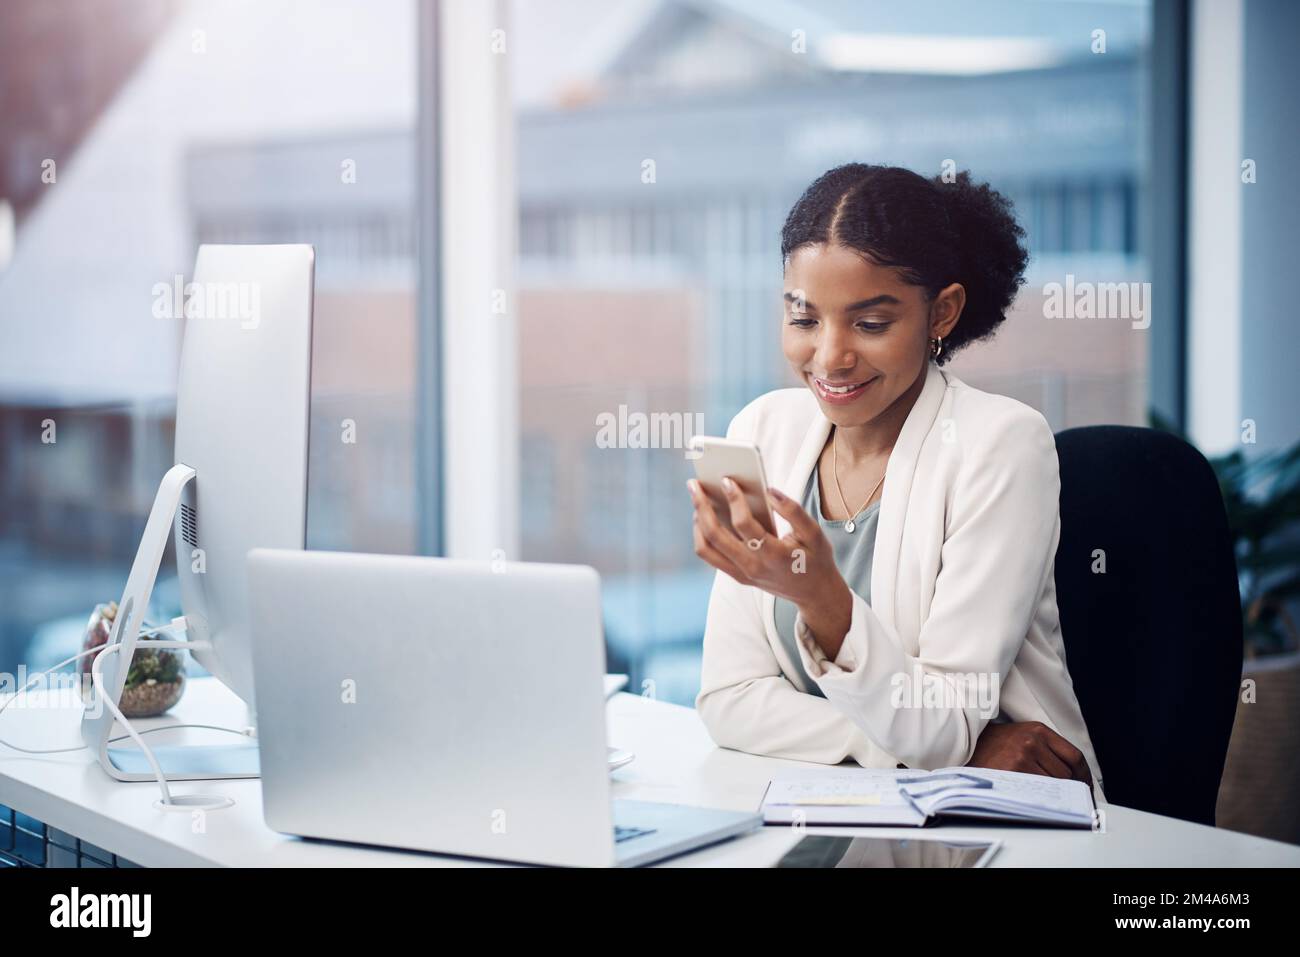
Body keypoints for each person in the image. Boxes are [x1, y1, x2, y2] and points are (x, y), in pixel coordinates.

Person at [688, 163, 1104, 801]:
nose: (829, 357)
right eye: (804, 319)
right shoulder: (761, 430)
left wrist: (823, 598)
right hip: (835, 807)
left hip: (1001, 815)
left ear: (942, 312)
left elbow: (940, 726)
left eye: (870, 324)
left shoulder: (1000, 445)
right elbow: (729, 701)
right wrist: (955, 746)